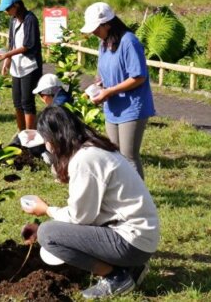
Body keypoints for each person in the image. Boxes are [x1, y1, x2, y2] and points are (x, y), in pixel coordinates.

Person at [20, 106, 159, 299]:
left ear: (54, 139)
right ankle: (131, 267)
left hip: (132, 241)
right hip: (140, 236)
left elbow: (81, 217)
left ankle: (116, 277)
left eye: (46, 141)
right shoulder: (94, 148)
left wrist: (45, 210)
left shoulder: (86, 159)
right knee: (51, 229)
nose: (47, 147)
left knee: (48, 234)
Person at [80, 2, 155, 179]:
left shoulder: (129, 42)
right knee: (115, 156)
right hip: (113, 107)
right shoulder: (104, 43)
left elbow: (138, 77)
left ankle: (138, 199)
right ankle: (122, 195)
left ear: (108, 24)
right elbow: (103, 74)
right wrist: (96, 88)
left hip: (131, 107)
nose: (93, 33)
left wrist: (109, 91)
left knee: (129, 156)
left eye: (96, 28)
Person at [0, 0, 43, 132]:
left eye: (8, 8)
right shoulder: (13, 20)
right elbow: (12, 42)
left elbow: (28, 45)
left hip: (30, 66)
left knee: (27, 101)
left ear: (17, 5)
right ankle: (21, 132)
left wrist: (7, 54)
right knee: (17, 102)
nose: (7, 12)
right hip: (17, 66)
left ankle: (30, 134)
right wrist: (7, 60)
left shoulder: (30, 19)